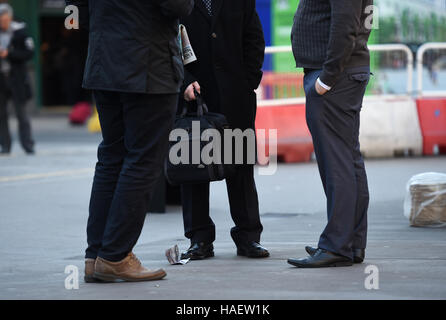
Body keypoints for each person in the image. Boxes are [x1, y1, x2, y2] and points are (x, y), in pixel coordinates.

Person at [66, 0, 194, 282]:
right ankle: (115, 255)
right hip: (148, 65)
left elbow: (75, 11)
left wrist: (109, 30)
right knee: (143, 160)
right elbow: (180, 6)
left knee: (111, 157)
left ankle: (96, 255)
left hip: (103, 63)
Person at [178, 0, 270, 260]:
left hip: (235, 95)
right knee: (193, 168)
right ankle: (199, 240)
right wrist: (183, 81)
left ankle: (248, 237)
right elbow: (168, 41)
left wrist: (248, 80)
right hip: (194, 96)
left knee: (240, 167)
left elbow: (254, 38)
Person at [288, 0, 373, 268]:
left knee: (337, 164)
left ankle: (336, 245)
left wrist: (327, 78)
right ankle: (350, 243)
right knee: (348, 161)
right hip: (343, 74)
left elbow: (345, 23)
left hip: (336, 77)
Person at [0, 3, 35, 155]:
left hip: (17, 78)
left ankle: (28, 145)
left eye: (6, 19)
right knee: (1, 115)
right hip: (1, 79)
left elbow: (29, 53)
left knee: (22, 114)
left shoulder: (20, 31)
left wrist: (9, 54)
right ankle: (5, 146)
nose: (3, 23)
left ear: (10, 17)